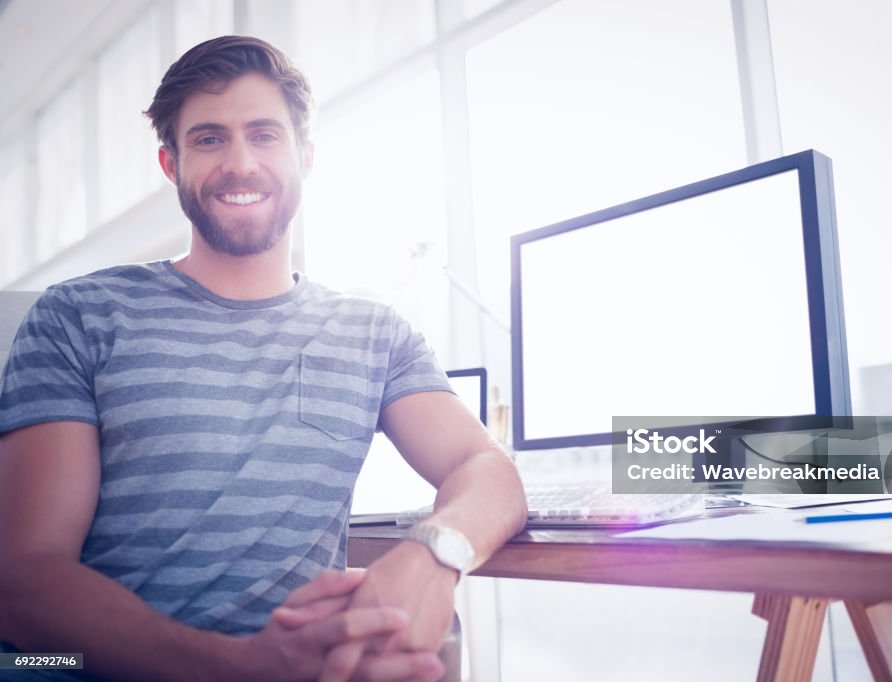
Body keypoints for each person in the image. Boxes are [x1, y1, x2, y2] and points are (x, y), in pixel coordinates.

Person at [0, 35, 527, 682]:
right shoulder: (80, 316)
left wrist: (432, 554)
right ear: (172, 164)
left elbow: (489, 471)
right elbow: (24, 577)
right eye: (209, 139)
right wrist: (243, 668)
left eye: (265, 135)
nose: (240, 162)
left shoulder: (373, 334)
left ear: (306, 155)